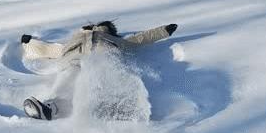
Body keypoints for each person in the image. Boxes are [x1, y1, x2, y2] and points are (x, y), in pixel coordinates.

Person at [21, 21, 178, 120]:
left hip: (103, 58)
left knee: (108, 73)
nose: (93, 28)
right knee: (67, 81)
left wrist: (164, 30)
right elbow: (49, 49)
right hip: (73, 62)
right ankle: (50, 109)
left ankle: (125, 106)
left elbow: (141, 38)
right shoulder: (73, 41)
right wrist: (29, 43)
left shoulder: (116, 40)